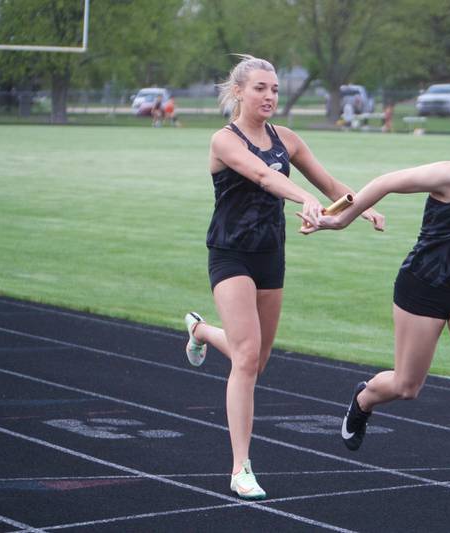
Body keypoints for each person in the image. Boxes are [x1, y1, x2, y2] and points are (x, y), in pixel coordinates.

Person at [300, 96, 450, 500]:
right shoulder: (449, 176)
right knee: (408, 386)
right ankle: (363, 399)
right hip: (422, 286)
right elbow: (386, 182)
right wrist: (341, 219)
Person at [183, 54, 384, 501]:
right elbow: (261, 175)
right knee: (247, 358)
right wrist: (305, 200)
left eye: (274, 88)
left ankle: (198, 329)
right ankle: (240, 468)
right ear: (238, 92)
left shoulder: (287, 138)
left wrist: (361, 205)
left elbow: (331, 183)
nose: (270, 95)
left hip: (270, 256)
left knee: (253, 360)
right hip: (230, 254)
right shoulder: (224, 140)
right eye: (260, 88)